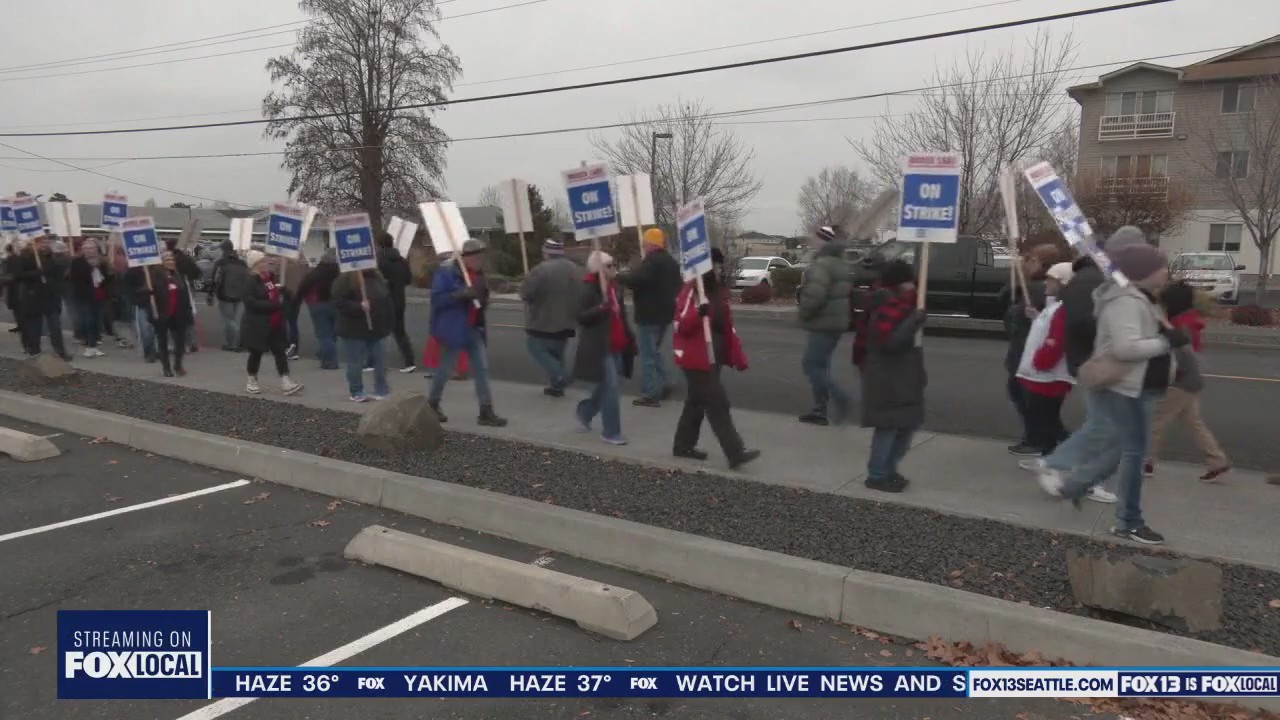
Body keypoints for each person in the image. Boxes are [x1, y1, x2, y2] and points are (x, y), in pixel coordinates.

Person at [1040, 243, 1184, 545]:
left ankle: (1075, 487)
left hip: (1136, 387)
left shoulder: (1141, 298)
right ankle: (1128, 521)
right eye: (1162, 266)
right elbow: (1125, 347)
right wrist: (1166, 342)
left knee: (1125, 451)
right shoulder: (1126, 301)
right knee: (1131, 453)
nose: (1166, 272)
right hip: (1124, 387)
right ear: (1144, 270)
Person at [1032, 227, 1150, 504]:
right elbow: (1086, 323)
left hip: (1095, 361)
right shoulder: (1098, 282)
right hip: (1100, 363)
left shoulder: (1093, 279)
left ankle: (1078, 474)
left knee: (1107, 426)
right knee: (1106, 427)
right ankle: (1064, 467)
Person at [672, 248, 760, 469]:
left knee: (696, 402)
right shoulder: (692, 290)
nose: (721, 270)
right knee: (717, 401)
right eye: (718, 265)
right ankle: (735, 451)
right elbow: (680, 325)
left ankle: (683, 445)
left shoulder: (718, 292)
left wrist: (737, 356)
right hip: (696, 357)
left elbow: (726, 327)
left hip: (713, 356)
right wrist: (698, 313)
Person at [852, 259, 926, 493]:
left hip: (901, 372)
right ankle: (878, 474)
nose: (913, 285)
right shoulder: (886, 306)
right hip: (886, 372)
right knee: (888, 425)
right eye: (909, 281)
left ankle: (889, 469)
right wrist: (914, 322)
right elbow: (888, 343)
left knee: (905, 425)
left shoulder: (903, 303)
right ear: (900, 283)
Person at [1147, 280, 1230, 481]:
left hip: (1180, 380)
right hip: (1191, 380)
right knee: (1193, 422)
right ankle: (1217, 459)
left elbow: (1179, 355)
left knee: (1155, 420)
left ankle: (1144, 461)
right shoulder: (1188, 320)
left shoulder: (1181, 325)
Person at [427, 239, 506, 426]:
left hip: (474, 328)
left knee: (482, 370)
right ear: (466, 257)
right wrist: (460, 294)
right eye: (476, 255)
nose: (480, 259)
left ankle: (485, 410)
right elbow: (437, 300)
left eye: (481, 255)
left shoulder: (479, 276)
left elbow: (480, 299)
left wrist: (484, 301)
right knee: (444, 370)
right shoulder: (447, 273)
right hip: (452, 329)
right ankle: (432, 403)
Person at [1014, 262, 1075, 461]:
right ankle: (1050, 457)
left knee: (1047, 419)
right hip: (1044, 375)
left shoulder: (1063, 309)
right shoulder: (1054, 306)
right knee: (1046, 418)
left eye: (1051, 279)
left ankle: (1071, 453)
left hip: (1050, 376)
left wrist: (1040, 362)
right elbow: (1046, 330)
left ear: (1062, 283)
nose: (1046, 282)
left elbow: (1055, 341)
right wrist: (1037, 317)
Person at [573, 251, 635, 445]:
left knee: (607, 385)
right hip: (600, 345)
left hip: (617, 343)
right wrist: (600, 308)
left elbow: (621, 317)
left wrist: (630, 338)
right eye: (609, 266)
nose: (613, 269)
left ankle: (585, 411)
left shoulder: (615, 288)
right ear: (598, 269)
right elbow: (581, 316)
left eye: (614, 265)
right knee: (612, 388)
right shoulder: (588, 288)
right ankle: (611, 431)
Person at [620, 228, 682, 407]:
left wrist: (620, 277)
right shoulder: (671, 262)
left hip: (649, 315)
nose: (643, 245)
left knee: (648, 354)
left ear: (650, 244)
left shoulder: (651, 261)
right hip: (666, 314)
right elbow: (678, 285)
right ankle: (663, 384)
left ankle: (650, 394)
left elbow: (636, 279)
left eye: (645, 243)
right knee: (654, 352)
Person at [797, 225, 853, 426]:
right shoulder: (841, 263)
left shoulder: (822, 264)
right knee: (822, 365)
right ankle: (819, 410)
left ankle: (840, 397)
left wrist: (803, 312)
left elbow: (815, 295)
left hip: (822, 322)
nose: (812, 242)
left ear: (823, 241)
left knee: (811, 364)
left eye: (815, 239)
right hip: (835, 322)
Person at [1001, 246, 1053, 456]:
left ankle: (1037, 439)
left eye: (1032, 260)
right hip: (1021, 347)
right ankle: (1034, 437)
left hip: (1027, 349)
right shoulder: (1028, 286)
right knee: (1018, 393)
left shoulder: (1039, 289)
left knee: (1025, 396)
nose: (1027, 263)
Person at [519, 238, 581, 396]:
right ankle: (556, 387)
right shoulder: (574, 269)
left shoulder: (541, 270)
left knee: (536, 348)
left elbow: (526, 293)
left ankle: (562, 376)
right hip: (567, 320)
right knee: (557, 353)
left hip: (543, 320)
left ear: (547, 252)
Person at [240, 250, 303, 396]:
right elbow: (251, 303)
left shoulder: (269, 279)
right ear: (255, 264)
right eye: (263, 261)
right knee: (256, 352)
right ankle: (252, 379)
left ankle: (286, 380)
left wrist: (285, 292)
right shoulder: (250, 281)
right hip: (257, 323)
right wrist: (275, 305)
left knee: (279, 351)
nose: (266, 263)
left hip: (275, 322)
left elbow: (276, 294)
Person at [332, 264, 395, 402]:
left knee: (380, 360)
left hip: (377, 328)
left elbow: (386, 300)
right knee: (356, 362)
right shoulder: (345, 279)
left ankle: (381, 388)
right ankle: (356, 391)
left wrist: (389, 323)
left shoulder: (377, 277)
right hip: (353, 329)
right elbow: (338, 302)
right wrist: (358, 306)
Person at [136, 252, 195, 377]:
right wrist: (149, 292)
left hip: (178, 314)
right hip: (162, 314)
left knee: (179, 342)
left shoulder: (179, 275)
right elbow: (144, 294)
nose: (170, 261)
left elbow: (185, 296)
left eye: (172, 259)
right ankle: (166, 367)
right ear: (161, 262)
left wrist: (188, 313)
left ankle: (178, 365)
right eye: (167, 259)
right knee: (162, 342)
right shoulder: (154, 276)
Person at [15, 235, 71, 360]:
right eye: (41, 242)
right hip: (33, 296)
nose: (45, 245)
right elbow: (18, 275)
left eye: (46, 242)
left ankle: (60, 350)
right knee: (35, 326)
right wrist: (37, 273)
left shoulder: (52, 256)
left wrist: (63, 257)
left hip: (50, 296)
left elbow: (59, 272)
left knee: (55, 326)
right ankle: (35, 350)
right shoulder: (25, 256)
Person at [293, 249, 341, 369]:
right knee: (332, 333)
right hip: (336, 304)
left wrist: (296, 302)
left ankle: (330, 362)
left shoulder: (315, 273)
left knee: (324, 334)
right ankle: (324, 354)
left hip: (317, 304)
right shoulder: (341, 274)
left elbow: (303, 287)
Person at [375, 233, 416, 372]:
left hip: (383, 300)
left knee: (378, 332)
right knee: (400, 332)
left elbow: (376, 280)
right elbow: (408, 280)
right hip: (399, 299)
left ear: (379, 245)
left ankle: (376, 362)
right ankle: (409, 361)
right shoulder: (402, 260)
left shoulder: (380, 261)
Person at [67, 239, 113, 358]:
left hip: (99, 295)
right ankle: (89, 345)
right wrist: (91, 268)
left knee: (97, 320)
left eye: (91, 248)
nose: (88, 251)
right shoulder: (77, 262)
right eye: (86, 249)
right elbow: (76, 278)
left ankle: (94, 344)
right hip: (84, 296)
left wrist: (108, 273)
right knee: (88, 320)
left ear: (96, 249)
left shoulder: (103, 262)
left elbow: (108, 279)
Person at [209, 240, 251, 352]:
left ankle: (237, 342)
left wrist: (211, 294)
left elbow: (214, 279)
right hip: (240, 295)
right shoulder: (242, 263)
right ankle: (231, 343)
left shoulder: (221, 263)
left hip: (225, 295)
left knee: (228, 320)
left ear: (223, 249)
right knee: (235, 319)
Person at [164, 238, 202, 354]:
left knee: (172, 316)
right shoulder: (186, 258)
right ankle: (192, 343)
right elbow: (196, 272)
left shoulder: (168, 259)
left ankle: (174, 344)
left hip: (174, 288)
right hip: (186, 286)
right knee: (188, 316)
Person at [2, 243, 21, 338]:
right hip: (19, 287)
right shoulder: (19, 258)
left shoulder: (8, 260)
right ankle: (20, 326)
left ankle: (20, 326)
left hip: (12, 287)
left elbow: (6, 275)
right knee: (19, 309)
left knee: (17, 309)